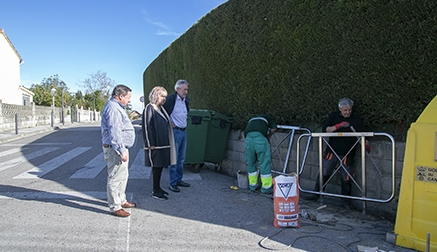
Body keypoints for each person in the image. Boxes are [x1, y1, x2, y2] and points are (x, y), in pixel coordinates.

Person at [314, 97, 370, 207]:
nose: (348, 112)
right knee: (325, 171)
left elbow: (363, 134)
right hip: (332, 150)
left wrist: (366, 144)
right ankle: (316, 194)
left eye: (349, 110)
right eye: (345, 110)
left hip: (348, 152)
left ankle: (345, 201)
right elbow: (325, 129)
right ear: (340, 109)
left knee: (347, 176)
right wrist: (337, 126)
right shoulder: (333, 116)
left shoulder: (356, 119)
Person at [101, 84, 136, 217]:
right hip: (115, 149)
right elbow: (114, 132)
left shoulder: (116, 107)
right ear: (120, 96)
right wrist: (121, 150)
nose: (129, 100)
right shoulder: (113, 109)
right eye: (128, 97)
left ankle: (121, 200)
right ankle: (115, 206)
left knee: (122, 175)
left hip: (119, 147)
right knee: (115, 177)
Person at [142, 86, 176, 200]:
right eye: (162, 96)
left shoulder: (161, 108)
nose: (164, 99)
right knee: (156, 167)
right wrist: (149, 143)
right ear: (156, 96)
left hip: (163, 143)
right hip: (156, 144)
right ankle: (155, 190)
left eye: (165, 97)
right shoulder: (149, 108)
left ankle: (158, 187)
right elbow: (146, 126)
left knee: (160, 167)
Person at [163, 79, 191, 193]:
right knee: (173, 159)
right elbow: (161, 111)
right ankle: (172, 183)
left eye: (187, 89)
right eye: (184, 89)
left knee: (181, 158)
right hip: (174, 132)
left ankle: (179, 179)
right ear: (177, 89)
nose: (186, 91)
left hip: (183, 131)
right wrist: (168, 121)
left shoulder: (186, 101)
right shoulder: (170, 99)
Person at [244, 114, 277, 194]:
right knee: (264, 163)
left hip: (248, 140)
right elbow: (274, 128)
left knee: (251, 163)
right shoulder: (268, 118)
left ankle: (252, 185)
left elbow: (246, 132)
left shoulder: (251, 119)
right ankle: (266, 188)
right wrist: (268, 136)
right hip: (260, 139)